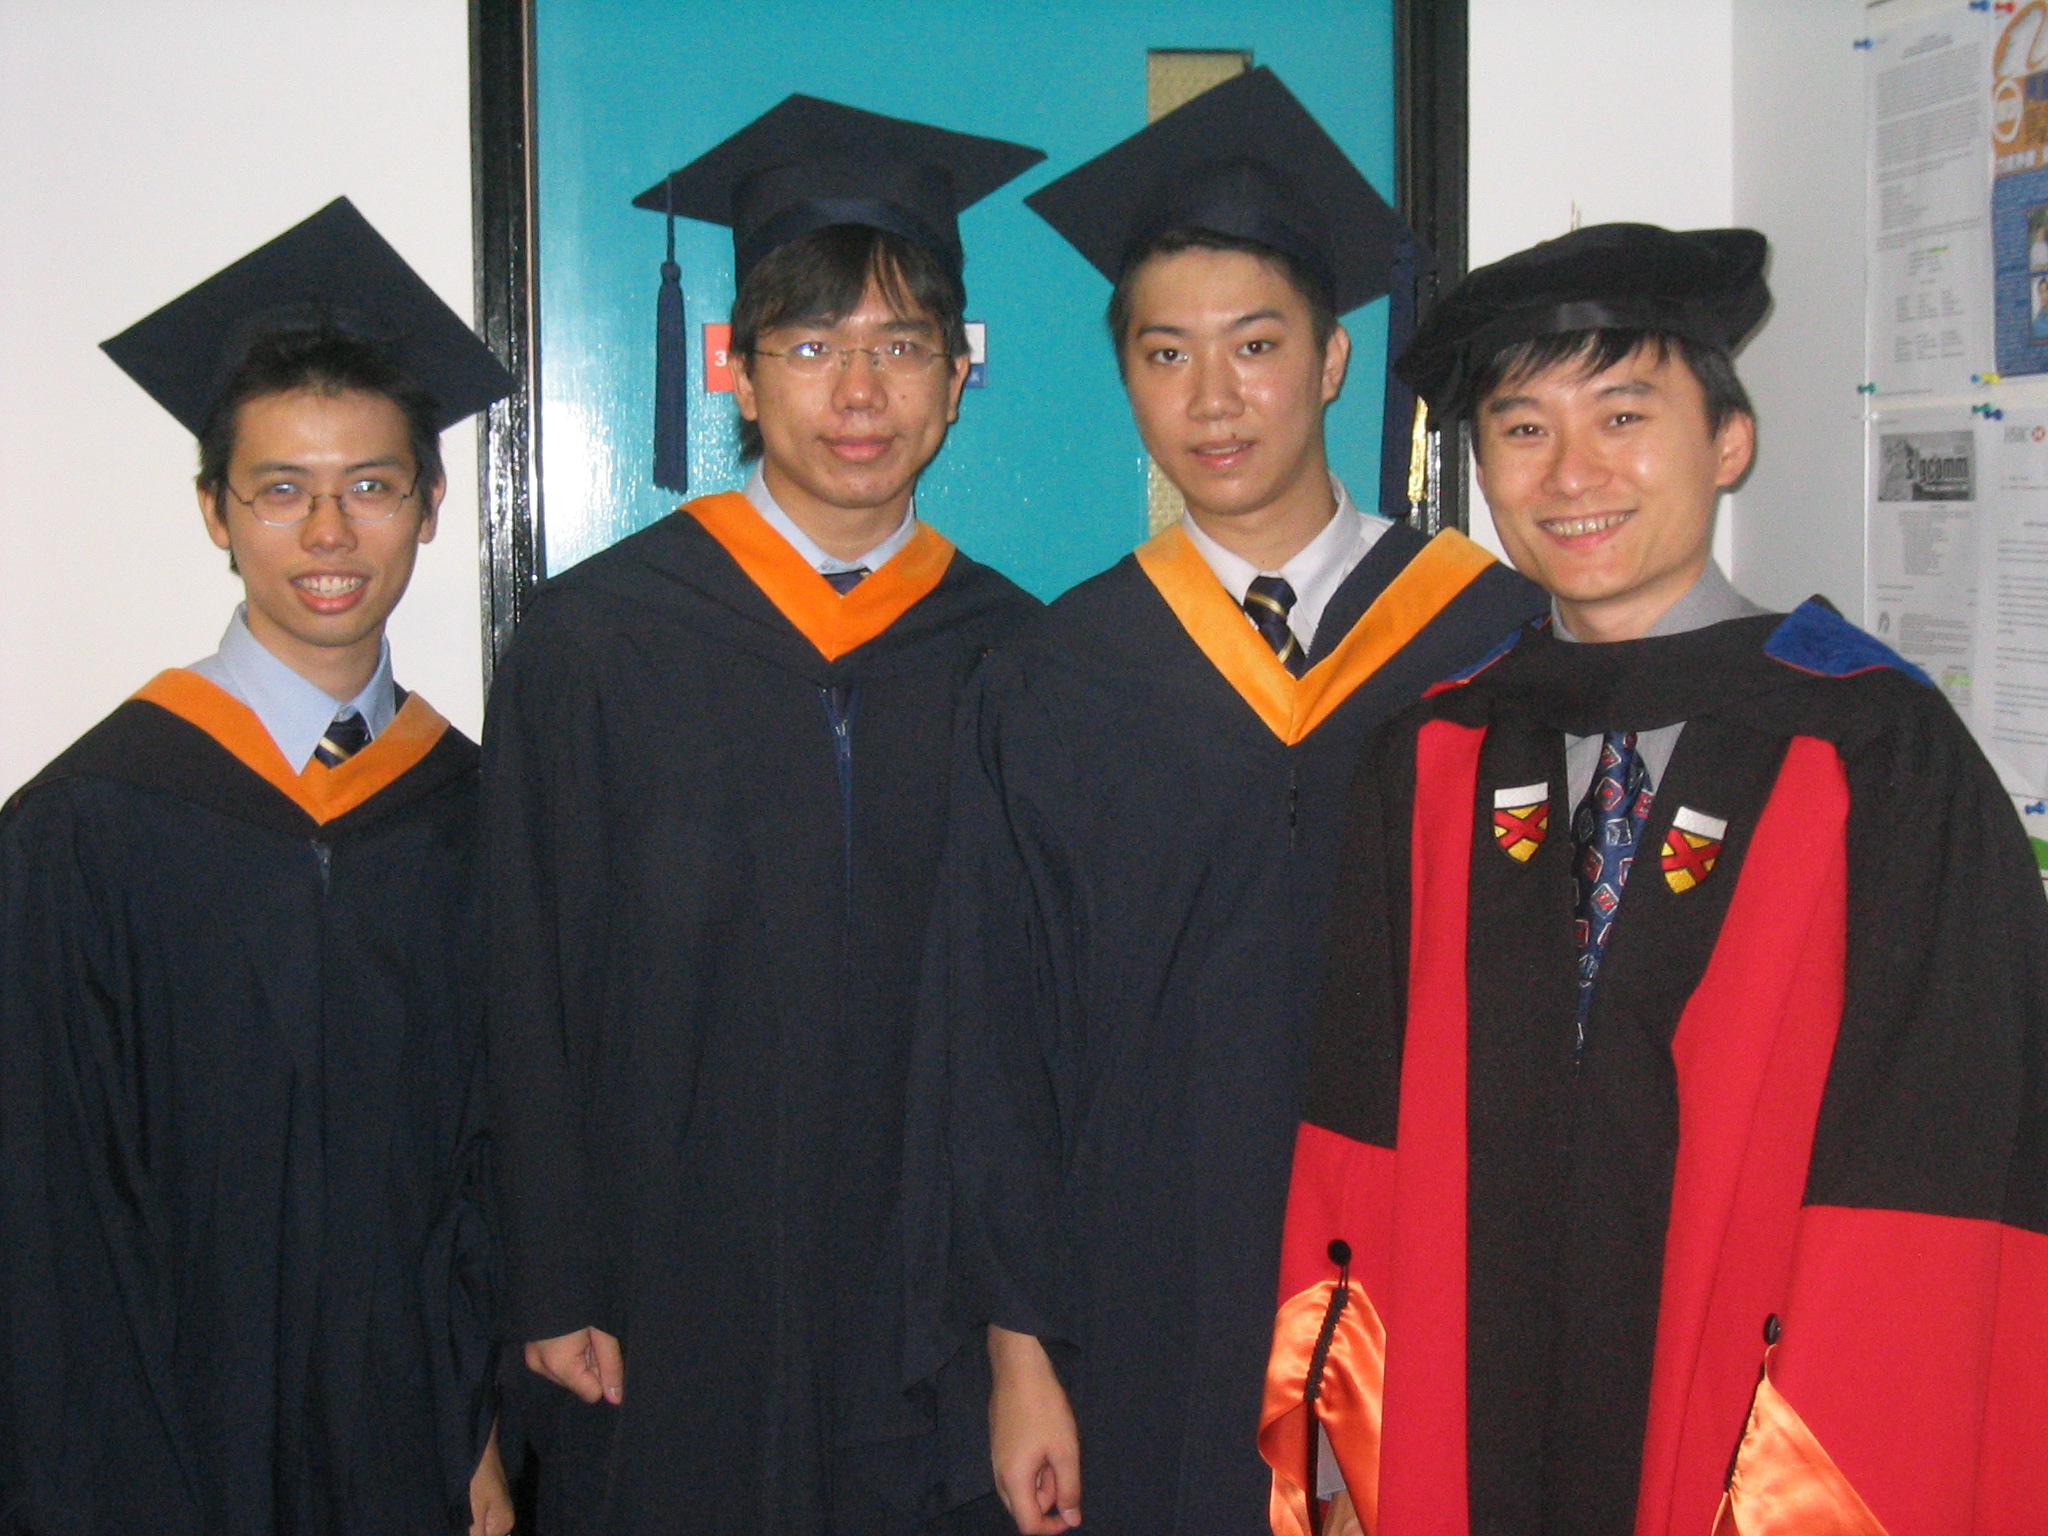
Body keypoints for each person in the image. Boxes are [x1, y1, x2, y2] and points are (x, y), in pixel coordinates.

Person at [1267, 222, 2048, 1536]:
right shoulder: (1438, 751)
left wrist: (1814, 1486)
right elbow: (1359, 1125)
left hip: (1759, 1444)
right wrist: (1345, 1450)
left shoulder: (1876, 753)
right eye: (1522, 430)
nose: (1573, 473)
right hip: (1464, 1438)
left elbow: (1939, 1184)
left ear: (1728, 439)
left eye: (1624, 416)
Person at [896, 68, 1545, 1536]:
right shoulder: (1053, 676)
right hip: (1146, 1311)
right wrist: (1021, 1361)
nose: (1212, 399)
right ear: (1126, 377)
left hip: (1440, 1289)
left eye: (1256, 345)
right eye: (1165, 354)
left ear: (1332, 359)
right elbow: (996, 1047)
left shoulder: (1492, 643)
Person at [484, 95, 1045, 1536]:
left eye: (900, 347)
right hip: (664, 1290)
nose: (858, 392)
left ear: (958, 378)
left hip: (928, 1303)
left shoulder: (1020, 658)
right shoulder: (594, 641)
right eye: (809, 346)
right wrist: (550, 1276)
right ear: (734, 370)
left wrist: (1027, 1330)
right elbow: (523, 982)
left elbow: (1045, 1024)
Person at [0, 198, 515, 1534]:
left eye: (372, 485)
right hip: (153, 1455)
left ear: (432, 506)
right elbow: (42, 1214)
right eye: (281, 489)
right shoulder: (87, 827)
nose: (329, 532)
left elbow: (495, 1168)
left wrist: (477, 1428)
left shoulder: (474, 818)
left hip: (413, 1447)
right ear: (214, 513)